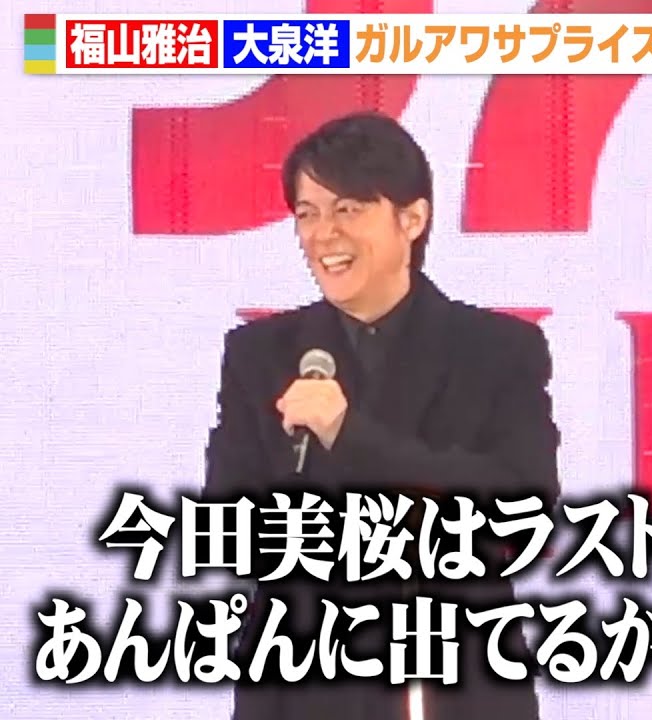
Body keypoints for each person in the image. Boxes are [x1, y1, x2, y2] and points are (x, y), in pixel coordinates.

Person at [203, 111, 559, 720]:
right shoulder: (261, 355)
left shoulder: (498, 350)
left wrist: (349, 438)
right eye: (307, 213)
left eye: (348, 209)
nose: (323, 234)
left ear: (412, 219)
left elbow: (521, 512)